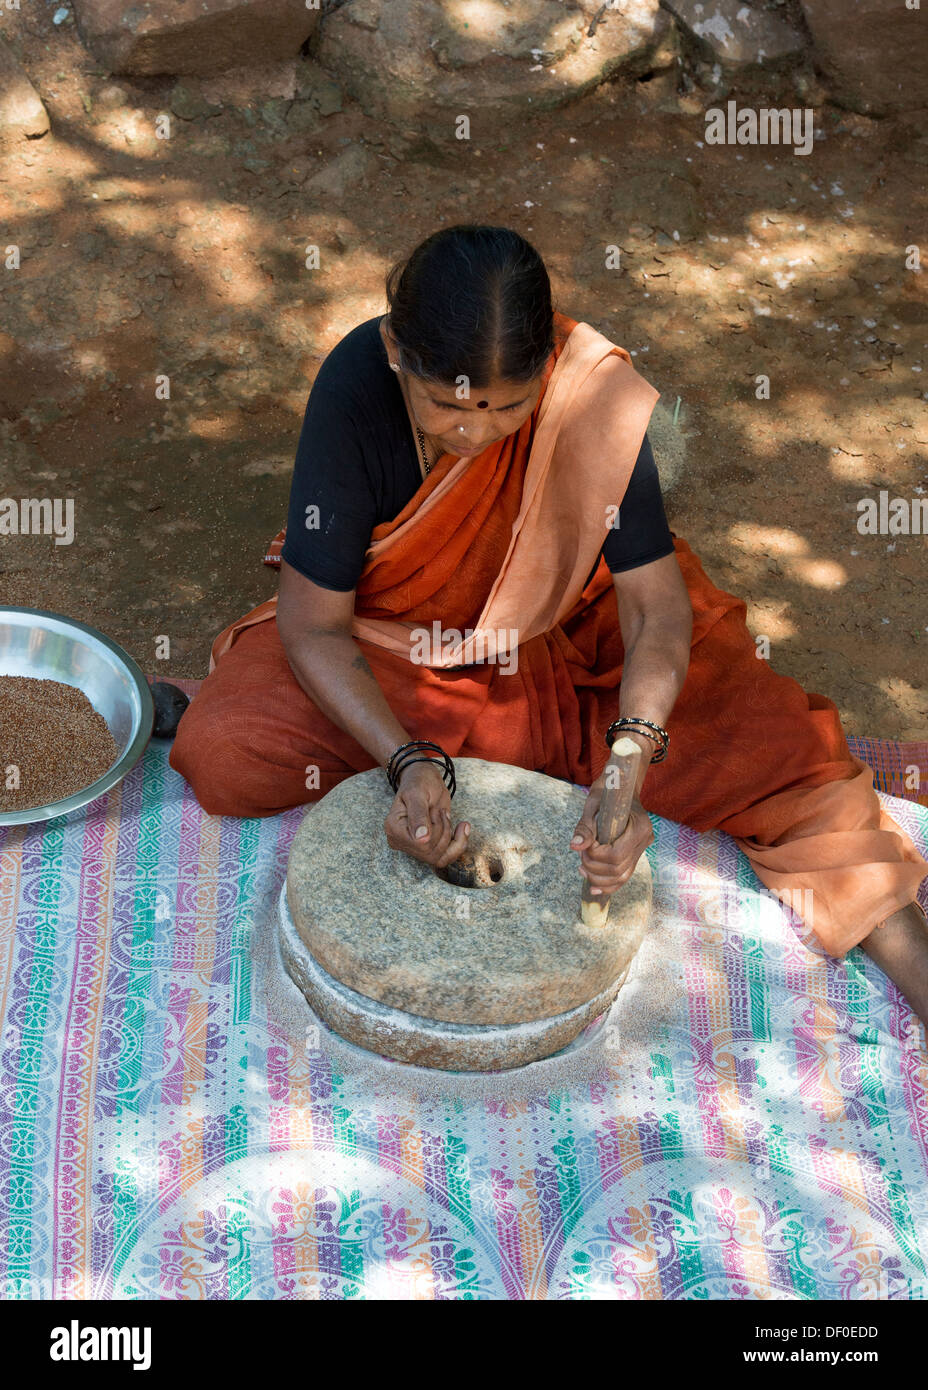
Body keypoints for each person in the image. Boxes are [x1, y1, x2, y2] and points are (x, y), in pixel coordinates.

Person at [169, 224, 928, 1026]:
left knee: (765, 743)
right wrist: (407, 760)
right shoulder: (356, 386)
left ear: (546, 373)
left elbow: (651, 605)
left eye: (508, 407)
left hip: (577, 624)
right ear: (397, 350)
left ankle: (904, 942)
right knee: (230, 750)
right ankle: (507, 744)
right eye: (446, 405)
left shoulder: (591, 395)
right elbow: (317, 627)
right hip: (410, 646)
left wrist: (630, 758)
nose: (473, 433)